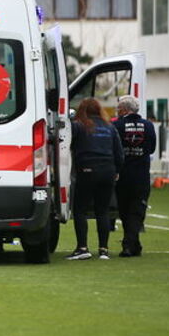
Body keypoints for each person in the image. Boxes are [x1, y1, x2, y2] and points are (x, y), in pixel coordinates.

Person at [66, 98, 124, 261]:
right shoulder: (109, 127)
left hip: (87, 170)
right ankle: (103, 250)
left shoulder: (78, 125)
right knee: (102, 211)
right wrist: (117, 170)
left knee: (80, 209)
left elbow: (67, 145)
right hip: (108, 171)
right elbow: (119, 152)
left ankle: (82, 247)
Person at [112, 95, 157, 257]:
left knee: (124, 210)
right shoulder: (148, 125)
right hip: (141, 175)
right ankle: (132, 243)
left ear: (124, 110)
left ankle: (129, 245)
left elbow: (113, 149)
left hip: (122, 176)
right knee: (137, 210)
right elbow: (151, 149)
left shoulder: (116, 125)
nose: (117, 112)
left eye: (118, 109)